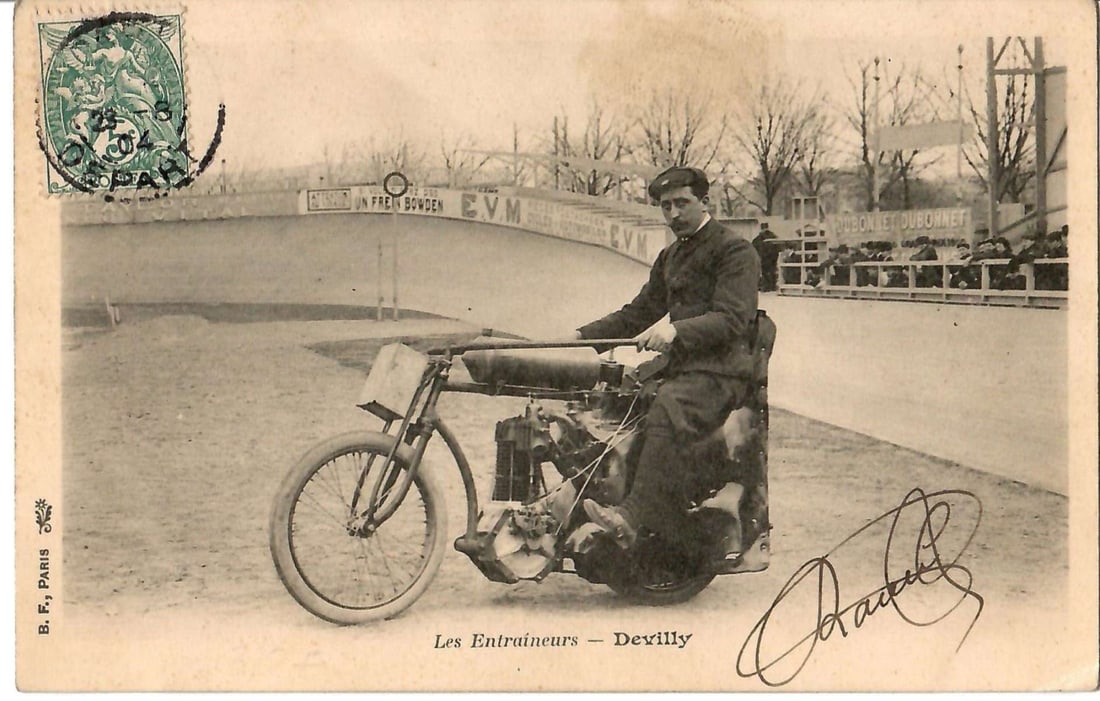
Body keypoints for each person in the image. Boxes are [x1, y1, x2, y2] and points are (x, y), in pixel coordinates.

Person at [570, 166, 760, 566]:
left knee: (667, 409)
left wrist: (675, 332)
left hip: (721, 372)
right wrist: (582, 339)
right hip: (683, 369)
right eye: (664, 206)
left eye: (681, 203)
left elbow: (733, 319)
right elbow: (638, 311)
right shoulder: (671, 255)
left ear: (705, 202)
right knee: (606, 406)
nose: (673, 213)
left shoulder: (734, 251)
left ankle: (631, 516)